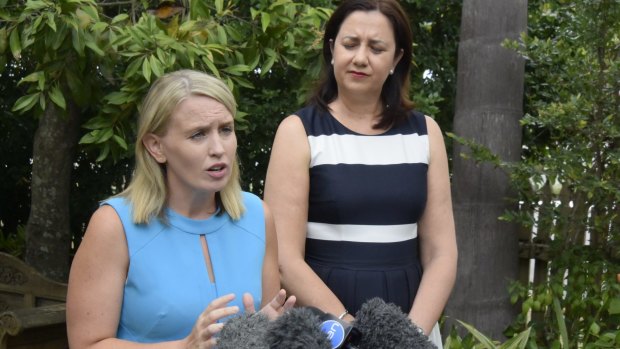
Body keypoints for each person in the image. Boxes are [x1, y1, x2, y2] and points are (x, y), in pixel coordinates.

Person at [263, 0, 457, 347]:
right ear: (332, 49)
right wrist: (350, 330)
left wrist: (407, 337)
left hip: (412, 322)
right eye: (350, 44)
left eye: (376, 47)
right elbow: (284, 260)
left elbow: (441, 253)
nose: (360, 57)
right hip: (323, 327)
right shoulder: (298, 132)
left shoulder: (425, 133)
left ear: (397, 58)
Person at [66, 70, 295, 348]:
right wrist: (183, 346)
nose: (218, 148)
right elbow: (87, 344)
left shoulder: (257, 215)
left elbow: (264, 327)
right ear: (156, 147)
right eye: (198, 135)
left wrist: (265, 331)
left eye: (225, 129)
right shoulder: (114, 225)